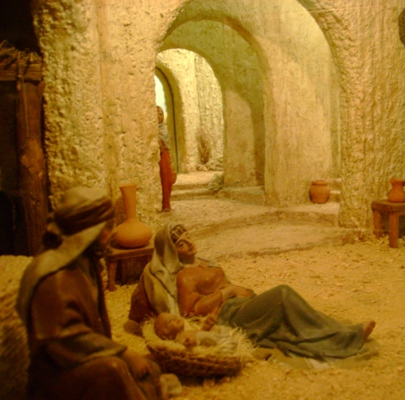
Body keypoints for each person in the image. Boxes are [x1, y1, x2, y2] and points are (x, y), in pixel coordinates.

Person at [129, 222, 376, 360]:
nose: (190, 243)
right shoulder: (184, 276)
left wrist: (240, 290)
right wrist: (228, 293)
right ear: (173, 252)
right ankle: (345, 337)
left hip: (240, 304)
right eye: (182, 244)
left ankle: (334, 330)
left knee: (288, 309)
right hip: (228, 314)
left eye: (188, 237)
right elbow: (190, 311)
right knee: (283, 294)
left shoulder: (205, 262)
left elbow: (231, 285)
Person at [16, 187, 166, 400]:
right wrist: (122, 353)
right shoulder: (54, 279)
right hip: (60, 372)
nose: (112, 233)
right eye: (107, 228)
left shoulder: (86, 261)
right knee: (113, 370)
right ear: (86, 232)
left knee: (151, 369)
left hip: (88, 357)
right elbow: (66, 340)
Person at [153, 312, 238, 353]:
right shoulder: (177, 339)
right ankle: (227, 345)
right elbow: (183, 346)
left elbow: (201, 333)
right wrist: (188, 342)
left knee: (219, 329)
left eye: (175, 317)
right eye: (170, 321)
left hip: (204, 340)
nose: (176, 319)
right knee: (205, 336)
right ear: (165, 334)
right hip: (201, 341)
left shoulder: (187, 331)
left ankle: (229, 338)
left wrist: (207, 325)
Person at [157, 106, 177, 212]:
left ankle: (167, 203)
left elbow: (168, 144)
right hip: (160, 156)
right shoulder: (154, 130)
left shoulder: (163, 129)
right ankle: (164, 205)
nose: (159, 117)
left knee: (168, 180)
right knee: (163, 179)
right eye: (157, 114)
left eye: (161, 114)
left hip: (166, 154)